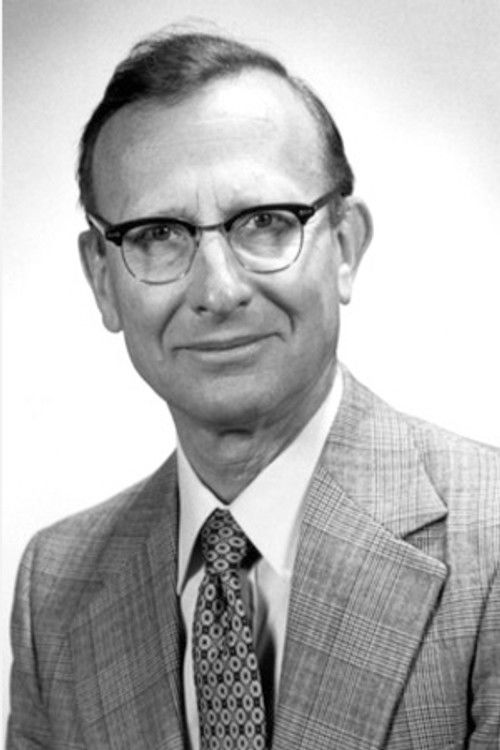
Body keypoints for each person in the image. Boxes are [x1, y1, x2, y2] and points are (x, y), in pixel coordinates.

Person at [7, 29, 500, 750]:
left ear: (345, 247)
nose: (218, 290)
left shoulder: (491, 544)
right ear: (102, 280)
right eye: (158, 235)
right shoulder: (54, 588)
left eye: (265, 224)